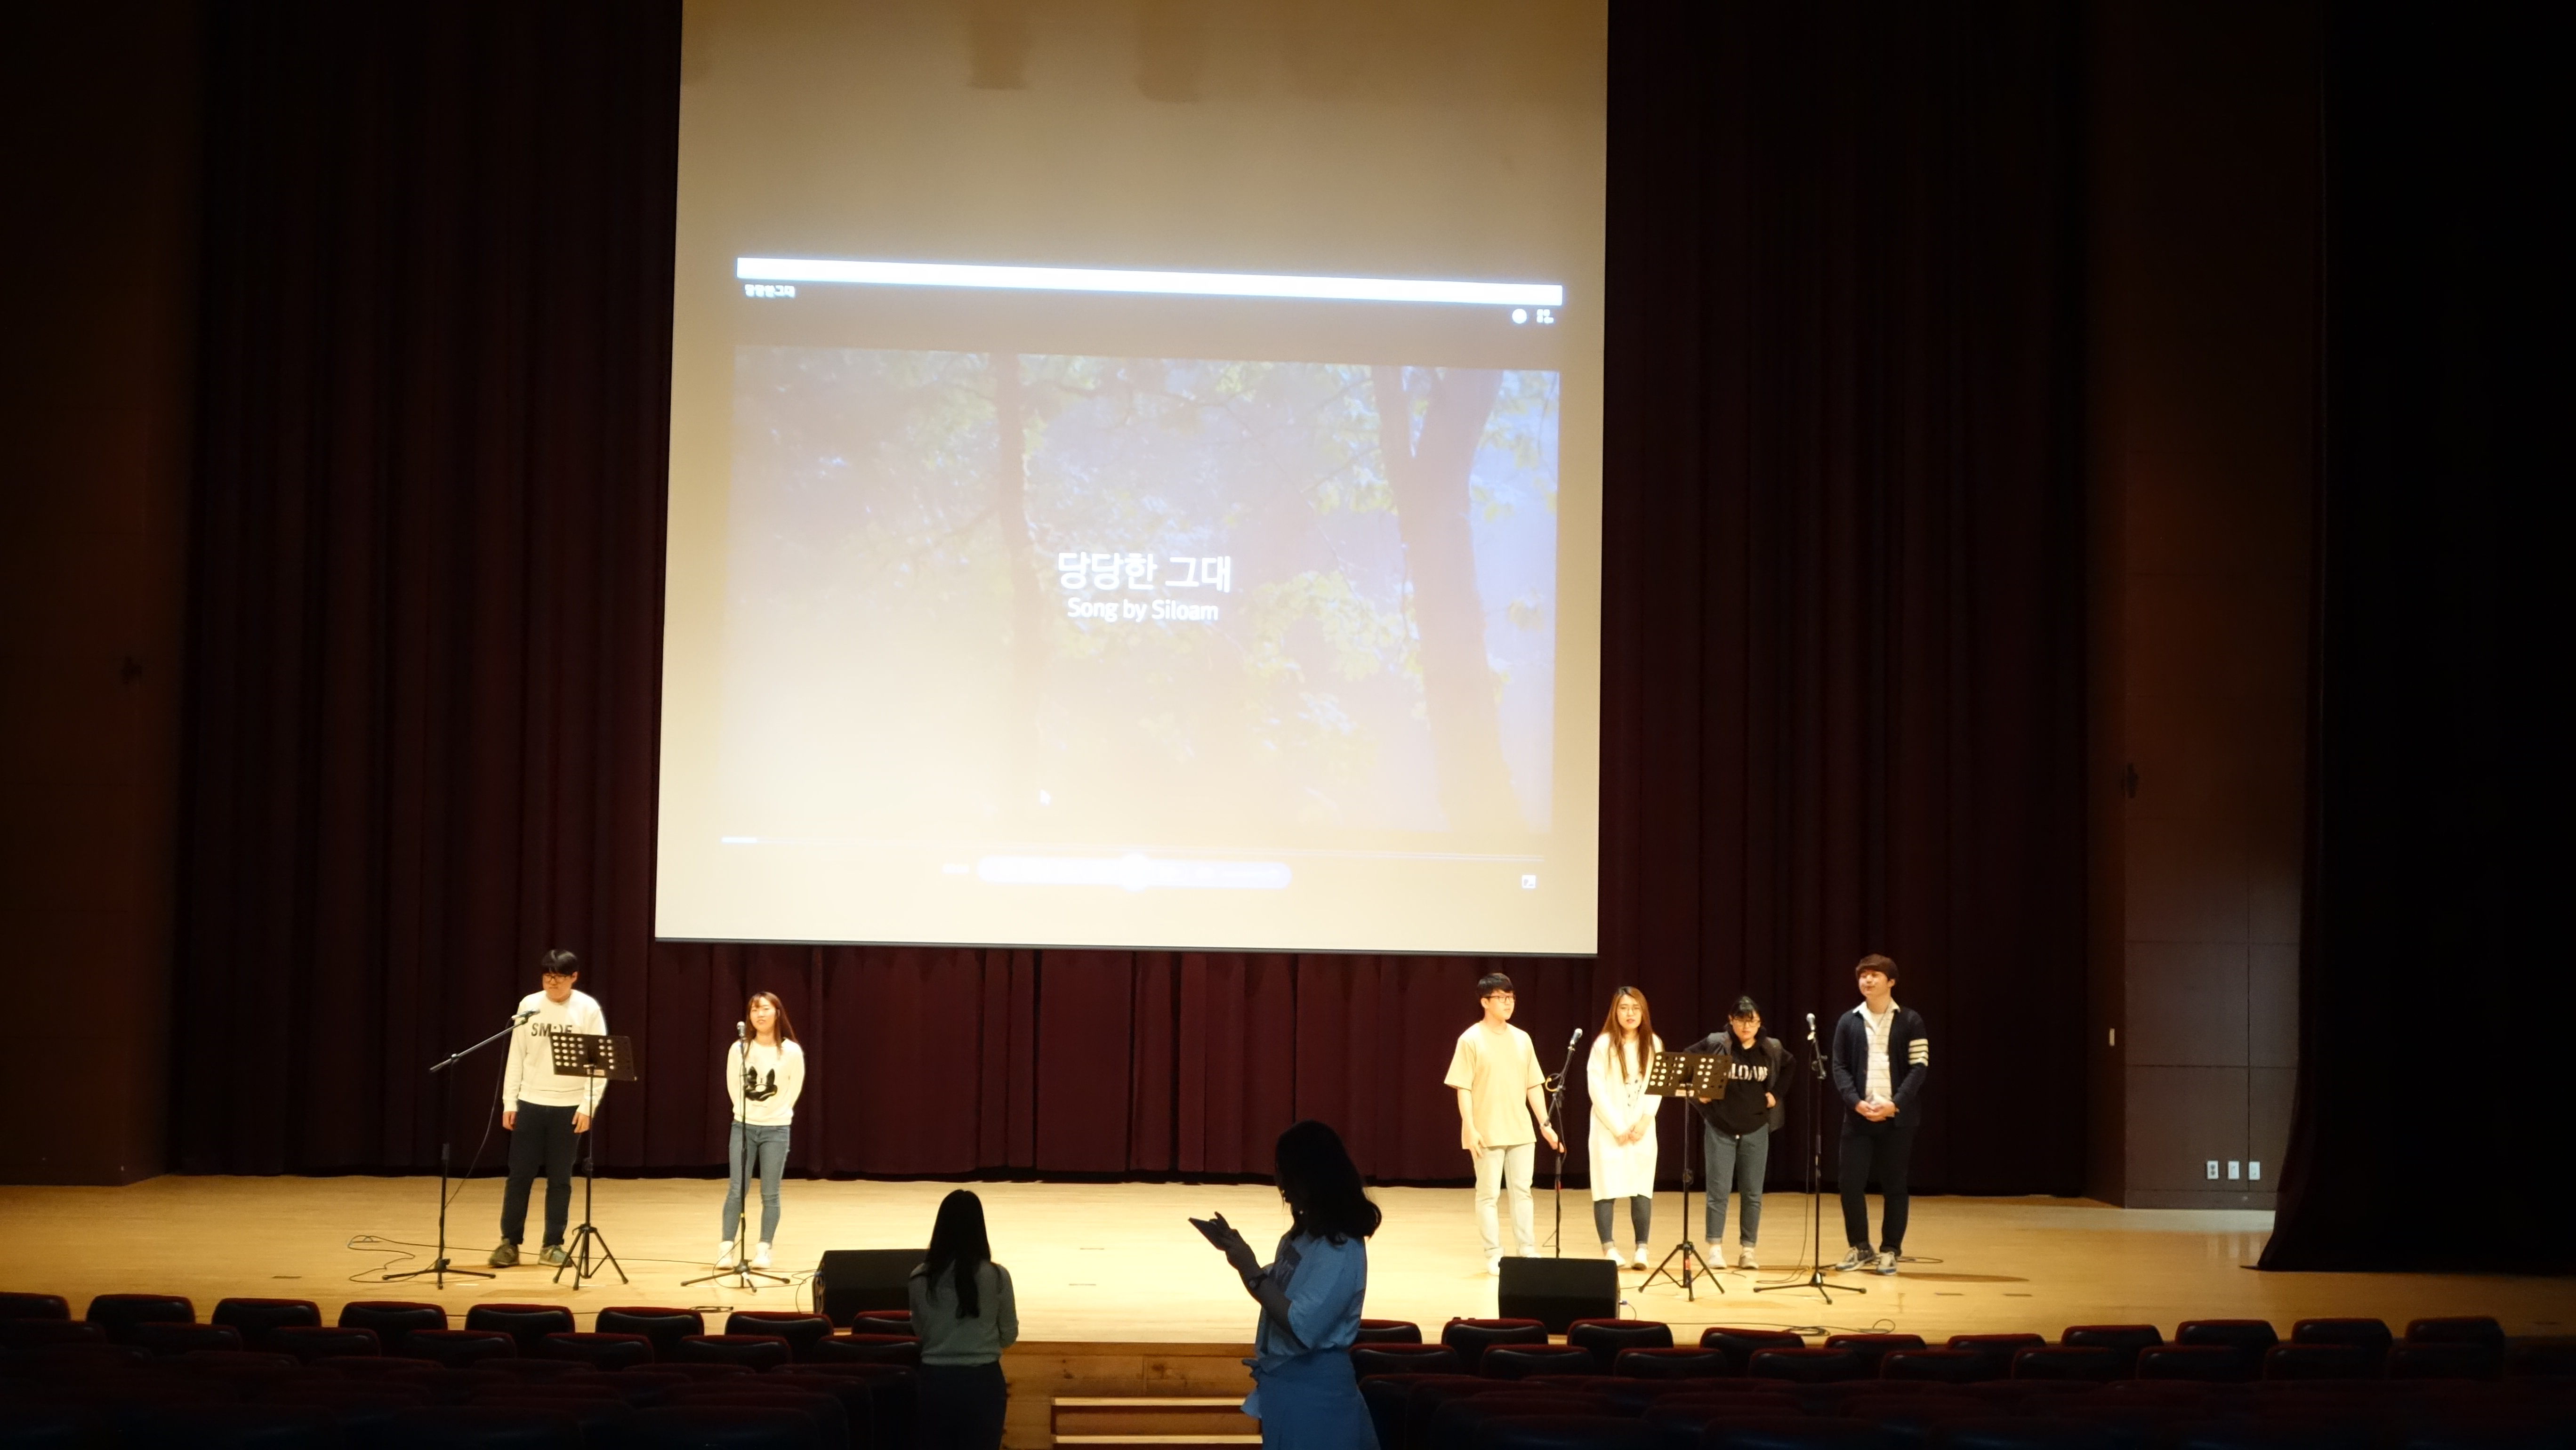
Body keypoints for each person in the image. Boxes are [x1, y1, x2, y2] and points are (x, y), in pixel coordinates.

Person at [1191, 1120, 1380, 1449]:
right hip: (1291, 1392)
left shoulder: (1340, 1249)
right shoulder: (1304, 1236)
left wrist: (1251, 1269)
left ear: (1311, 1178)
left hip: (1316, 1401)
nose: (1279, 1182)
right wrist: (1242, 1258)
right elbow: (1276, 1288)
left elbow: (1301, 1326)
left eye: (1285, 1172)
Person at [490, 948, 607, 1268]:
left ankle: (553, 1244)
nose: (552, 983)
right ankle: (509, 1243)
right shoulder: (529, 1005)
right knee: (519, 1176)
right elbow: (517, 1054)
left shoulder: (587, 1008)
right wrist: (510, 1101)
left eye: (559, 977)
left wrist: (588, 1106)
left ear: (574, 977)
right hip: (530, 1102)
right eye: (547, 977)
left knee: (560, 1179)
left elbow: (598, 1063)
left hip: (568, 1106)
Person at [1441, 972, 1563, 1273]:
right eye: (1501, 998)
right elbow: (1463, 1087)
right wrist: (1470, 1127)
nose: (1508, 1003)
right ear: (1485, 1002)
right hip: (1486, 1131)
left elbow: (1533, 1085)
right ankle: (1494, 1253)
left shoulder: (1522, 1039)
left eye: (1511, 998)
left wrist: (1545, 1124)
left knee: (1523, 1192)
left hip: (1521, 1130)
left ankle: (1527, 1249)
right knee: (1488, 1195)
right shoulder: (1471, 1039)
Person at [1828, 953, 1929, 1275]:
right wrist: (1855, 1102)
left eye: (1875, 975)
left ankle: (1890, 1249)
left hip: (1897, 1118)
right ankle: (1860, 1246)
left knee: (1895, 1185)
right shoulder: (1849, 1021)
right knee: (1850, 1184)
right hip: (1858, 1116)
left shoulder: (1910, 1020)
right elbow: (1839, 1066)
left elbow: (1919, 1067)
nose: (1867, 980)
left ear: (1891, 981)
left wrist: (1895, 1104)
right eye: (1863, 975)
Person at [1681, 995, 1790, 1270]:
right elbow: (1686, 1059)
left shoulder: (1771, 1047)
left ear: (1760, 1023)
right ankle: (1715, 1249)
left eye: (1752, 1021)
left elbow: (1790, 1066)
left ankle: (1748, 1250)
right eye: (1741, 1020)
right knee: (1718, 1191)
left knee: (1752, 1193)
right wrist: (1699, 1091)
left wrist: (1775, 1094)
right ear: (1731, 1020)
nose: (1746, 1026)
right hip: (1721, 1127)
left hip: (1756, 1128)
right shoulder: (1717, 1042)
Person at [910, 1188, 1018, 1450]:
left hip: (935, 1382)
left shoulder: (920, 1277)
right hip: (983, 1383)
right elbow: (1008, 1335)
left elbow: (920, 1332)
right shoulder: (998, 1276)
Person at [716, 990, 807, 1271]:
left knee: (770, 1193)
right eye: (755, 1010)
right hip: (743, 1126)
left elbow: (794, 1088)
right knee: (737, 1189)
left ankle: (764, 1248)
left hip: (776, 1129)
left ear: (777, 1013)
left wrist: (775, 1114)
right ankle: (726, 1248)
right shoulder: (739, 1049)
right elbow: (734, 1086)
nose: (760, 1014)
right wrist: (747, 1114)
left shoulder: (791, 1051)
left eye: (765, 1009)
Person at [1585, 986, 1663, 1268]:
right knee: (1606, 1187)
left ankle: (1642, 1248)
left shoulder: (1653, 1043)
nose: (1630, 1014)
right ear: (1615, 1012)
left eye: (1635, 1008)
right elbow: (1597, 1090)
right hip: (1609, 1131)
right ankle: (1609, 1249)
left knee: (1641, 1188)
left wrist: (1644, 1121)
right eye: (1624, 1008)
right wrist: (1618, 1128)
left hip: (1642, 1129)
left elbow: (1656, 1085)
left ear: (1643, 1012)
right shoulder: (1603, 1044)